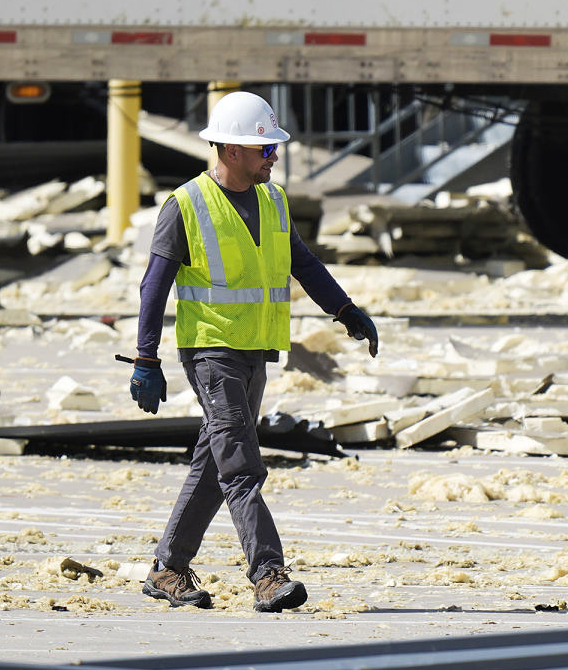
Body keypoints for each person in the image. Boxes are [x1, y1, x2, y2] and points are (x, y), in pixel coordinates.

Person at [126, 90, 380, 613]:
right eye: (264, 149)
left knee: (212, 462)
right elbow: (154, 286)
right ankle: (267, 574)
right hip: (210, 351)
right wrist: (145, 359)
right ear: (231, 150)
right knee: (241, 465)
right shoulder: (185, 205)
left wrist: (346, 310)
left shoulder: (274, 200)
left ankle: (168, 569)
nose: (274, 156)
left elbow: (303, 264)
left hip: (255, 350)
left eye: (272, 149)